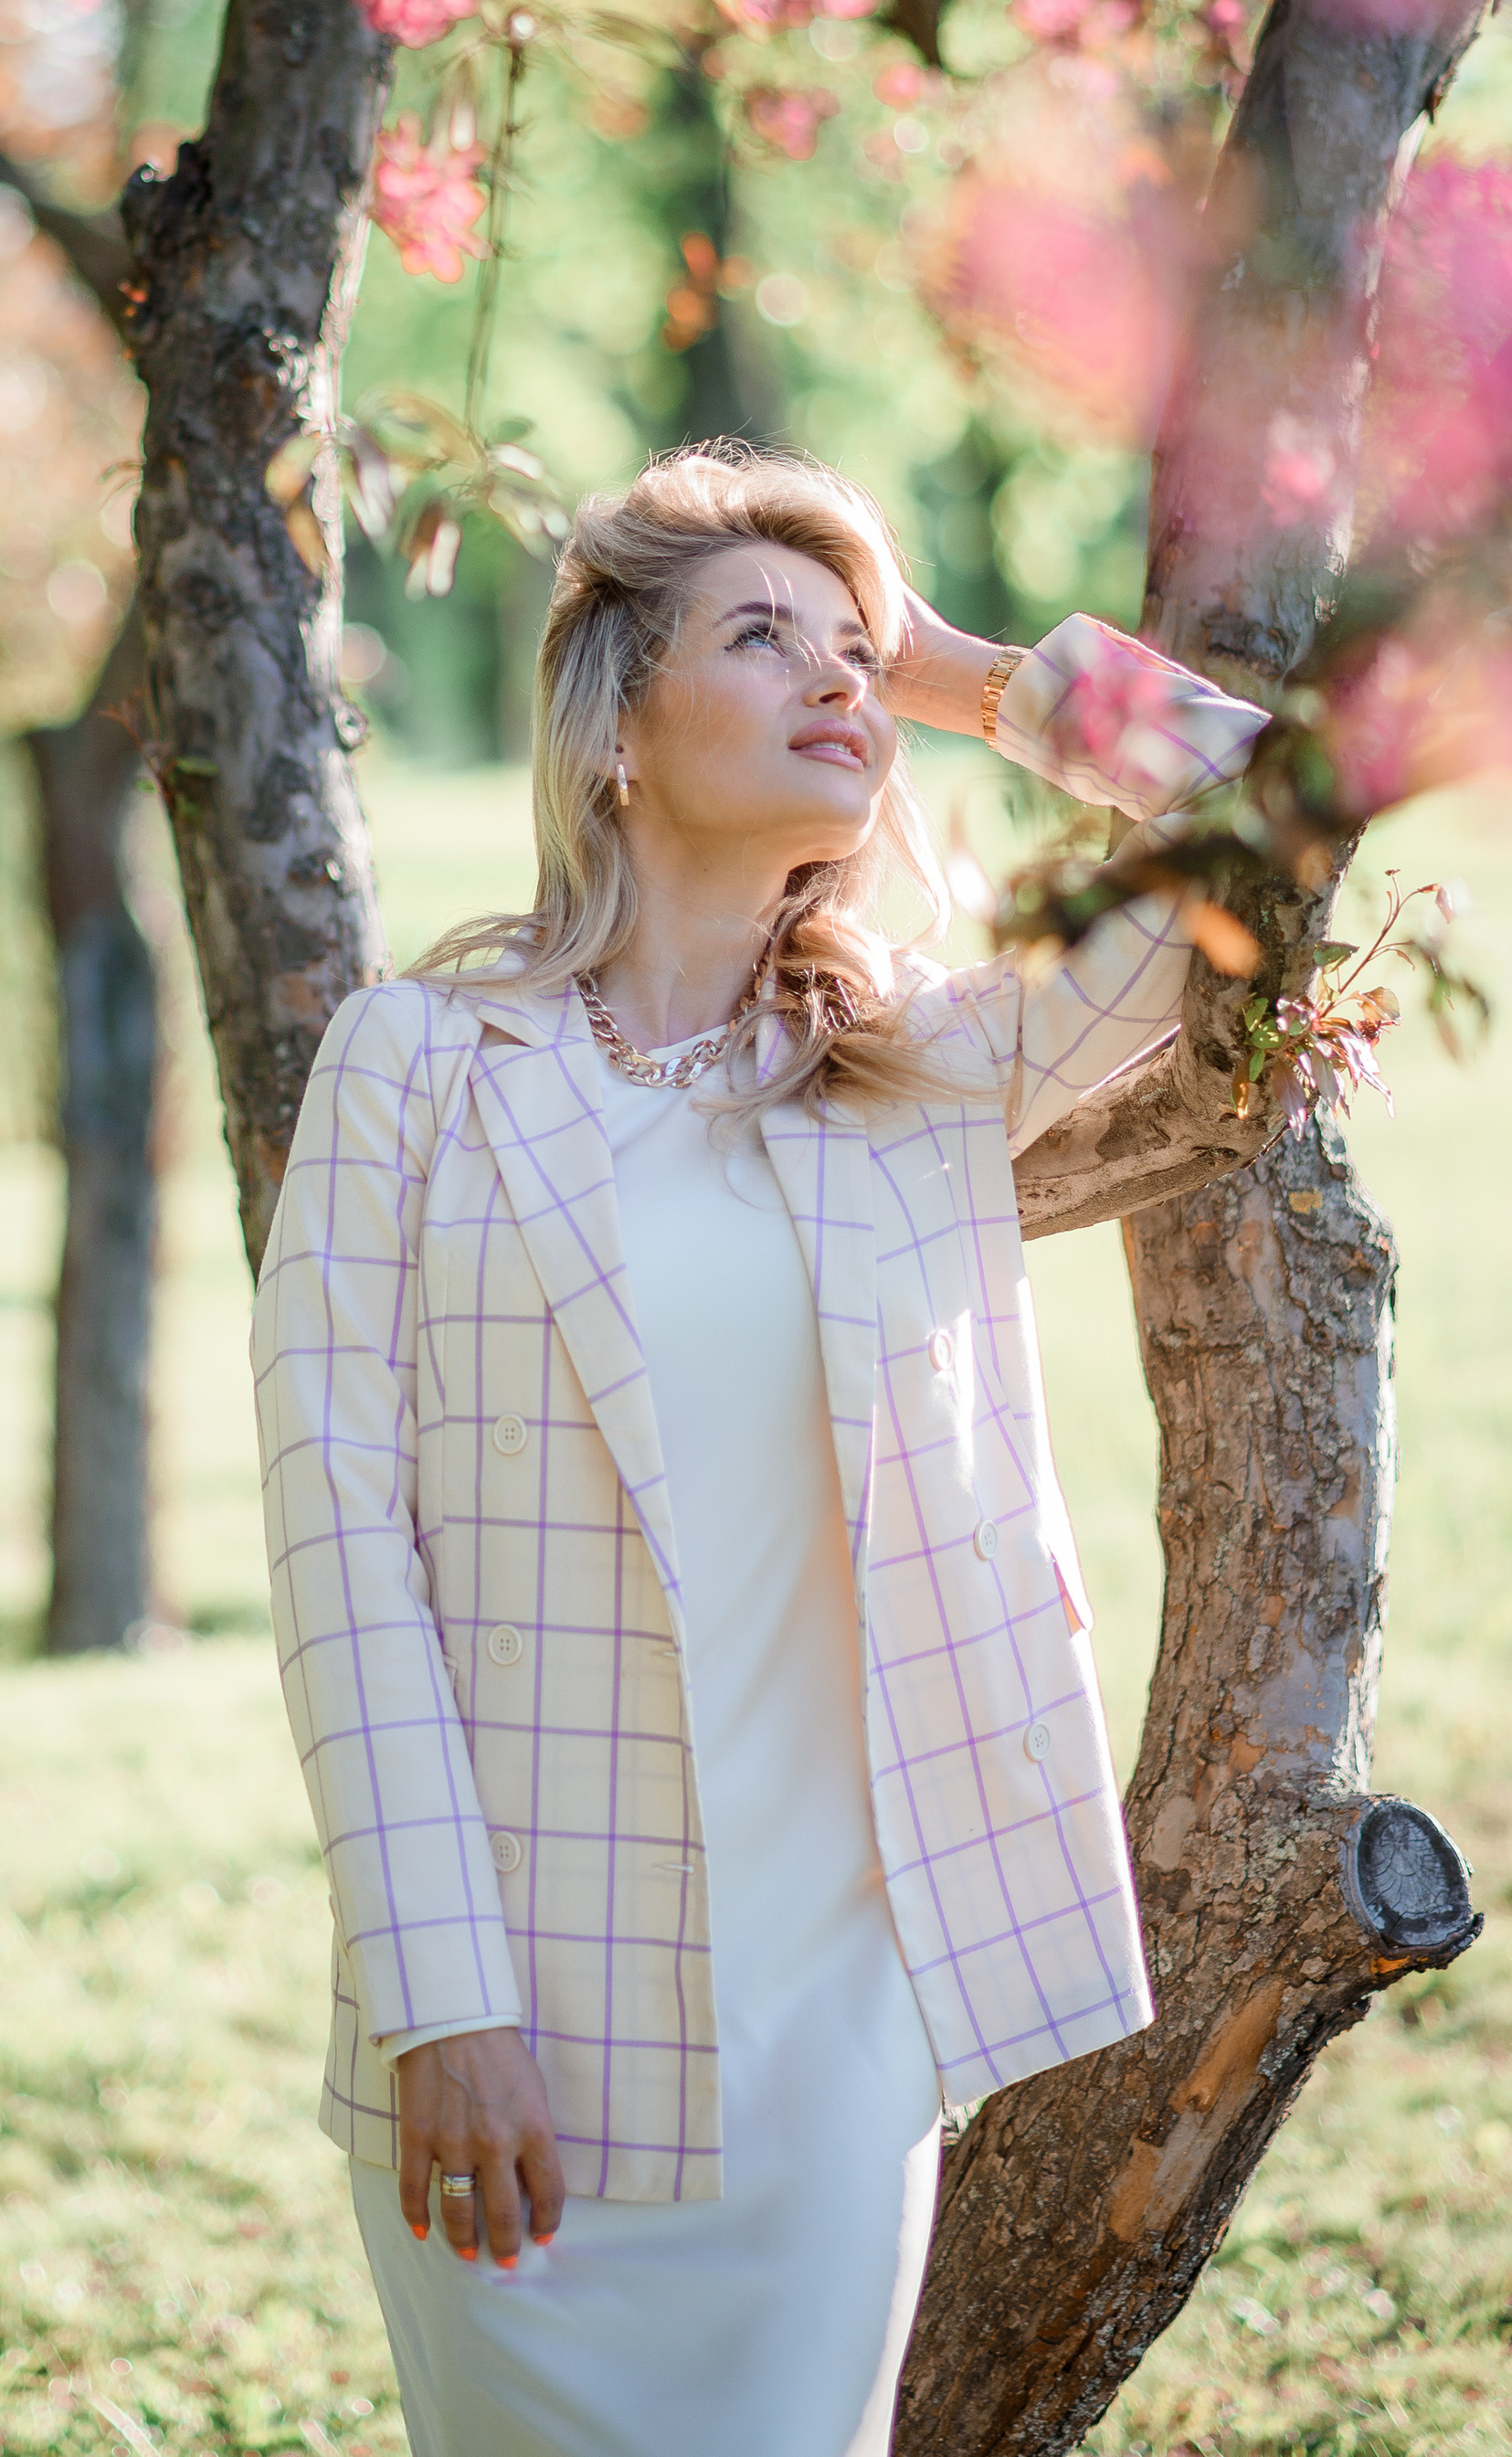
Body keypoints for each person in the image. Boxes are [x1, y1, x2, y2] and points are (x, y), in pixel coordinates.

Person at [251, 442, 1268, 2457]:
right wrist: (439, 2001)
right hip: (519, 2028)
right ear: (616, 729)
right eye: (757, 637)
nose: (835, 681)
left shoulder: (916, 1068)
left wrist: (965, 667)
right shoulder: (416, 1068)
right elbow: (336, 1552)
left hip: (829, 2022)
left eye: (849, 650)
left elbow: (1276, 810)